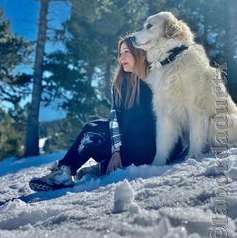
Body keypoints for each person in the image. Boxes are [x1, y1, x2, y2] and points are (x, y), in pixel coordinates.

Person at [29, 35, 182, 191]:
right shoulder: (121, 85)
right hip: (131, 149)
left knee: (92, 131)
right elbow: (115, 121)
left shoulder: (159, 77)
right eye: (119, 53)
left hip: (157, 148)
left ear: (140, 52)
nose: (121, 57)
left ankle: (98, 168)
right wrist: (116, 151)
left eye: (126, 51)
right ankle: (69, 172)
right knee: (93, 129)